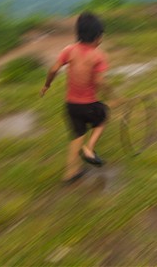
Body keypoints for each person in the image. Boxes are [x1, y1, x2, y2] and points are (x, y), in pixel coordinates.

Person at [40, 12, 110, 184]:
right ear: (97, 37)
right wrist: (110, 94)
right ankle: (89, 148)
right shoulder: (98, 56)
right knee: (103, 116)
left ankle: (71, 173)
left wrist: (47, 85)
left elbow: (53, 69)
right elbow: (99, 81)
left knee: (77, 135)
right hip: (88, 104)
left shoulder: (69, 50)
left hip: (71, 106)